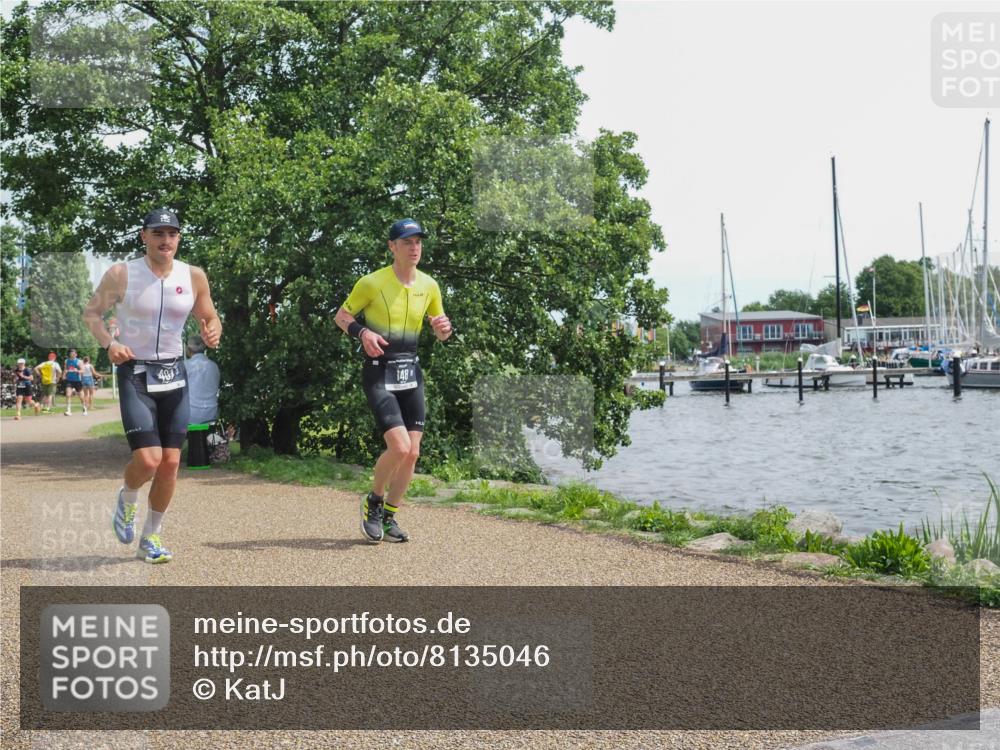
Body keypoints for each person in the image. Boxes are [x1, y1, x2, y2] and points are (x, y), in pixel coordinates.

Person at [83, 208, 222, 564]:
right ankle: (127, 497)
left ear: (179, 238)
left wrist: (212, 330)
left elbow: (209, 316)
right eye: (158, 233)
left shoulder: (193, 276)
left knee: (171, 464)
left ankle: (151, 537)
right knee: (148, 460)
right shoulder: (122, 273)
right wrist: (110, 344)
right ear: (143, 236)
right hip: (136, 372)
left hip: (174, 373)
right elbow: (92, 314)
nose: (165, 240)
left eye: (172, 233)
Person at [334, 218, 452, 544]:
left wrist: (443, 330)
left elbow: (441, 331)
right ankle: (373, 501)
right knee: (399, 447)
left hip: (410, 373)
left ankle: (389, 517)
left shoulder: (430, 285)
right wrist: (363, 333)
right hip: (379, 373)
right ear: (392, 247)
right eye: (407, 242)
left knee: (412, 453)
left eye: (418, 242)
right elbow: (341, 316)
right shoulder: (371, 282)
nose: (414, 248)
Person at [184, 334, 220, 425]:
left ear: (189, 349)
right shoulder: (214, 366)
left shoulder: (185, 365)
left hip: (190, 416)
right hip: (211, 415)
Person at [62, 348, 88, 415]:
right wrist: (64, 375)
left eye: (74, 353)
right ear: (69, 354)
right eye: (71, 353)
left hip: (77, 381)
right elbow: (65, 369)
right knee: (68, 394)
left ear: (76, 354)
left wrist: (77, 371)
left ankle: (84, 408)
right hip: (69, 380)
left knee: (81, 396)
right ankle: (68, 410)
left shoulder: (79, 361)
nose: (73, 354)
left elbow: (83, 370)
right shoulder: (66, 361)